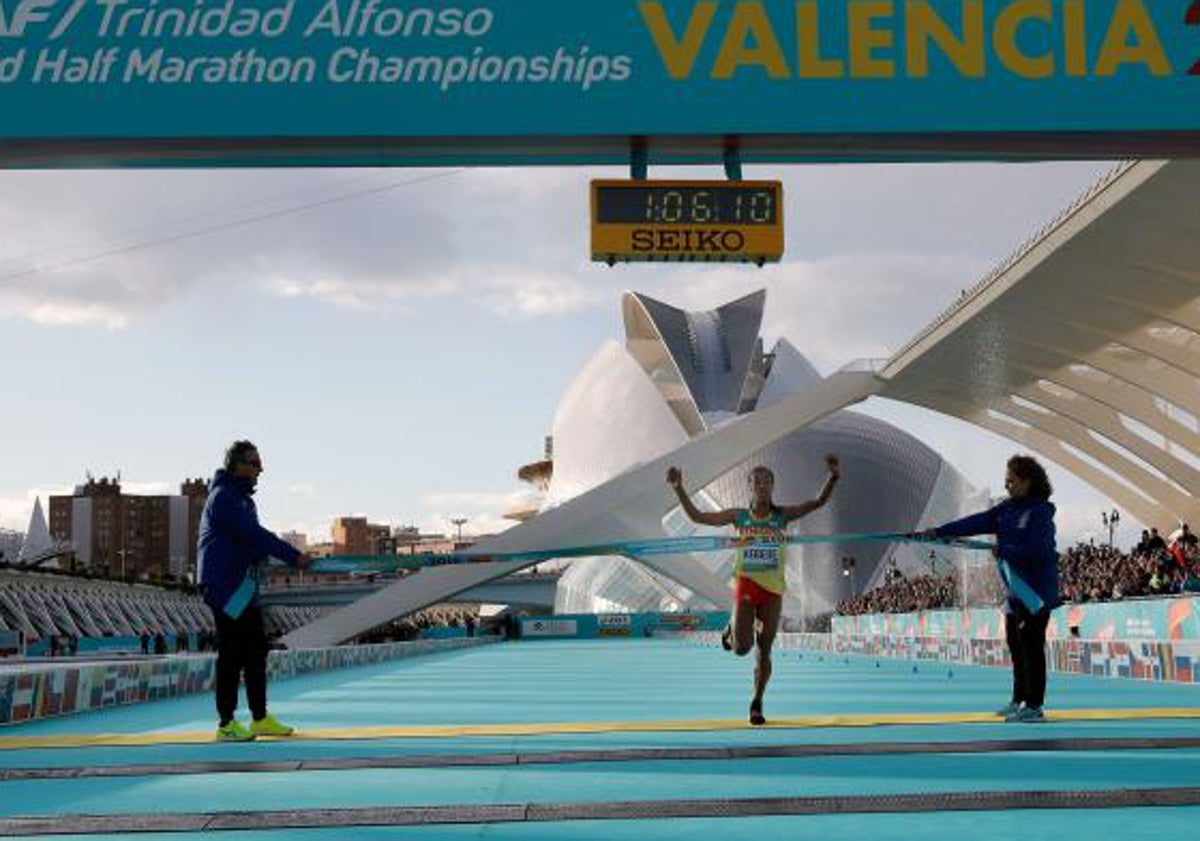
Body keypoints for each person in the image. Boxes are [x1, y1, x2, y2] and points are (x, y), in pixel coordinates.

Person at [667, 456, 841, 725]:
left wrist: (833, 477)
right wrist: (679, 487)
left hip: (773, 591)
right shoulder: (739, 516)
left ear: (773, 486)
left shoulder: (782, 516)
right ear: (749, 486)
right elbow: (699, 517)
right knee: (742, 649)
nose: (761, 486)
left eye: (766, 481)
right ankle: (731, 632)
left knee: (765, 650)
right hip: (747, 584)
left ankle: (757, 702)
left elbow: (816, 503)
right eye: (756, 481)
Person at [922, 454, 1059, 723]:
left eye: (1011, 481)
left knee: (1031, 645)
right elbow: (975, 523)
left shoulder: (1040, 512)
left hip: (1035, 593)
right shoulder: (1006, 510)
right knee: (1015, 645)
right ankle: (1019, 699)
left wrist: (1005, 550)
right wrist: (939, 532)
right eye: (1006, 481)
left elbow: (1040, 551)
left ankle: (1034, 705)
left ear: (1027, 481)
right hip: (1013, 592)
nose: (1006, 485)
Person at [198, 440, 311, 743]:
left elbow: (249, 543)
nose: (261, 469)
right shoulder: (223, 498)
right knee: (233, 652)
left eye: (261, 462)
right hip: (225, 588)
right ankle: (226, 723)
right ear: (236, 464)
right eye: (254, 462)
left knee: (256, 651)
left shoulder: (244, 502)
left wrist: (264, 559)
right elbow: (255, 535)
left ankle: (259, 718)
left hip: (243, 587)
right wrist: (293, 556)